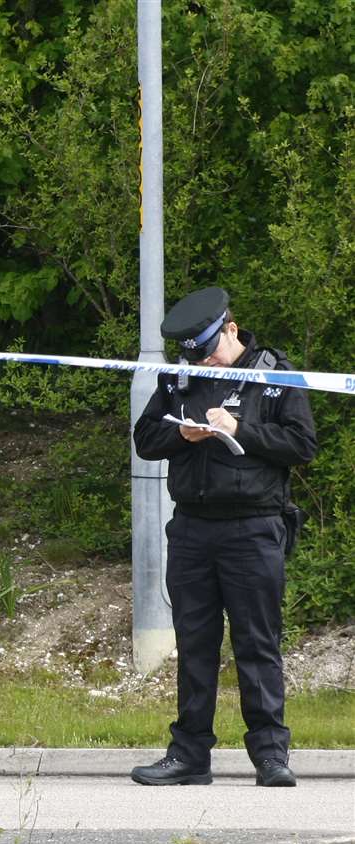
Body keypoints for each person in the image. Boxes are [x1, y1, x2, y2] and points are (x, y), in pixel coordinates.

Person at [130, 286, 317, 787]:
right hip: (192, 528)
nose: (205, 360)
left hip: (254, 528)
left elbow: (303, 445)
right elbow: (145, 440)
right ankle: (189, 755)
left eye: (211, 350)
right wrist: (181, 435)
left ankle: (271, 755)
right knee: (194, 644)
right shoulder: (182, 376)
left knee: (257, 643)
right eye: (196, 354)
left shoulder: (275, 373)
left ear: (231, 330)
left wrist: (243, 428)